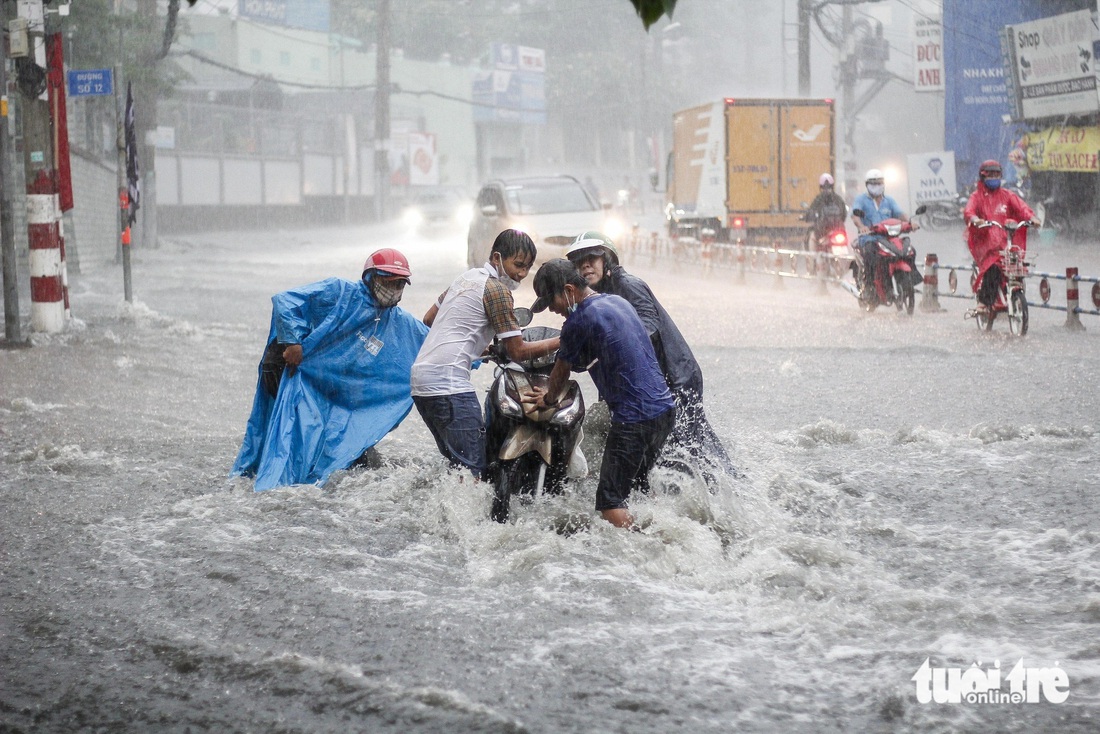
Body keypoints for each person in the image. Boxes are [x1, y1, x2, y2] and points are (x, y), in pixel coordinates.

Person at [232, 248, 429, 491]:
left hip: (322, 381)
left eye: (399, 283)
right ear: (369, 278)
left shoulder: (397, 320)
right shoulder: (340, 292)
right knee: (294, 430)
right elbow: (286, 301)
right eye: (387, 281)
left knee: (322, 433)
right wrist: (293, 342)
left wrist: (474, 353)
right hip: (287, 365)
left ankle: (309, 476)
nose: (393, 288)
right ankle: (280, 484)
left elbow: (432, 344)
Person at [565, 231, 737, 479]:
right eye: (579, 262)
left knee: (685, 446)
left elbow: (649, 326)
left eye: (592, 258)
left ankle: (724, 486)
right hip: (646, 384)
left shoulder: (628, 285)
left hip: (675, 378)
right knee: (674, 445)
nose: (586, 266)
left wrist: (611, 341)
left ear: (608, 260)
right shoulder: (594, 299)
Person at [529, 259, 676, 529]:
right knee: (639, 484)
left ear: (570, 290)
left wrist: (548, 399)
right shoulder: (618, 302)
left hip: (634, 418)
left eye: (552, 301)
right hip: (664, 410)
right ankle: (665, 529)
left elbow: (560, 375)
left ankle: (650, 549)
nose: (552, 309)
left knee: (609, 501)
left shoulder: (578, 320)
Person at [411, 229, 559, 479]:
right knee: (473, 472)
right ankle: (471, 519)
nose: (522, 274)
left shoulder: (465, 278)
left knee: (457, 468)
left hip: (421, 382)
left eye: (527, 268)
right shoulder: (498, 291)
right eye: (518, 265)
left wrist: (481, 347)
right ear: (496, 258)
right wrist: (564, 339)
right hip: (450, 385)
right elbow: (518, 351)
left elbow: (429, 319)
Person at [964, 159, 1038, 311]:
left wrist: (1032, 218)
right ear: (983, 177)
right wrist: (976, 220)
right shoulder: (976, 196)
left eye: (996, 175)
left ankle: (1011, 294)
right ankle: (984, 302)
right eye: (990, 175)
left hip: (1006, 242)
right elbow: (969, 212)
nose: (993, 178)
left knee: (1016, 266)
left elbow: (1022, 208)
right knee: (994, 267)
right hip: (985, 243)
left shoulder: (1007, 195)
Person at [850, 168, 913, 297]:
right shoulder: (861, 200)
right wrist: (862, 226)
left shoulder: (889, 201)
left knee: (909, 251)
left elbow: (900, 214)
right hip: (869, 239)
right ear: (867, 185)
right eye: (873, 184)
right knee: (870, 254)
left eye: (879, 183)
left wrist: (910, 223)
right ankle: (869, 285)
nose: (876, 186)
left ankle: (910, 280)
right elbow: (855, 216)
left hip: (888, 239)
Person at [805, 173, 848, 244]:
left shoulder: (818, 199)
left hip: (822, 232)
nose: (826, 189)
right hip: (838, 230)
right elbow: (844, 215)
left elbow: (811, 211)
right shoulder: (838, 199)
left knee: (812, 238)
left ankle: (812, 255)